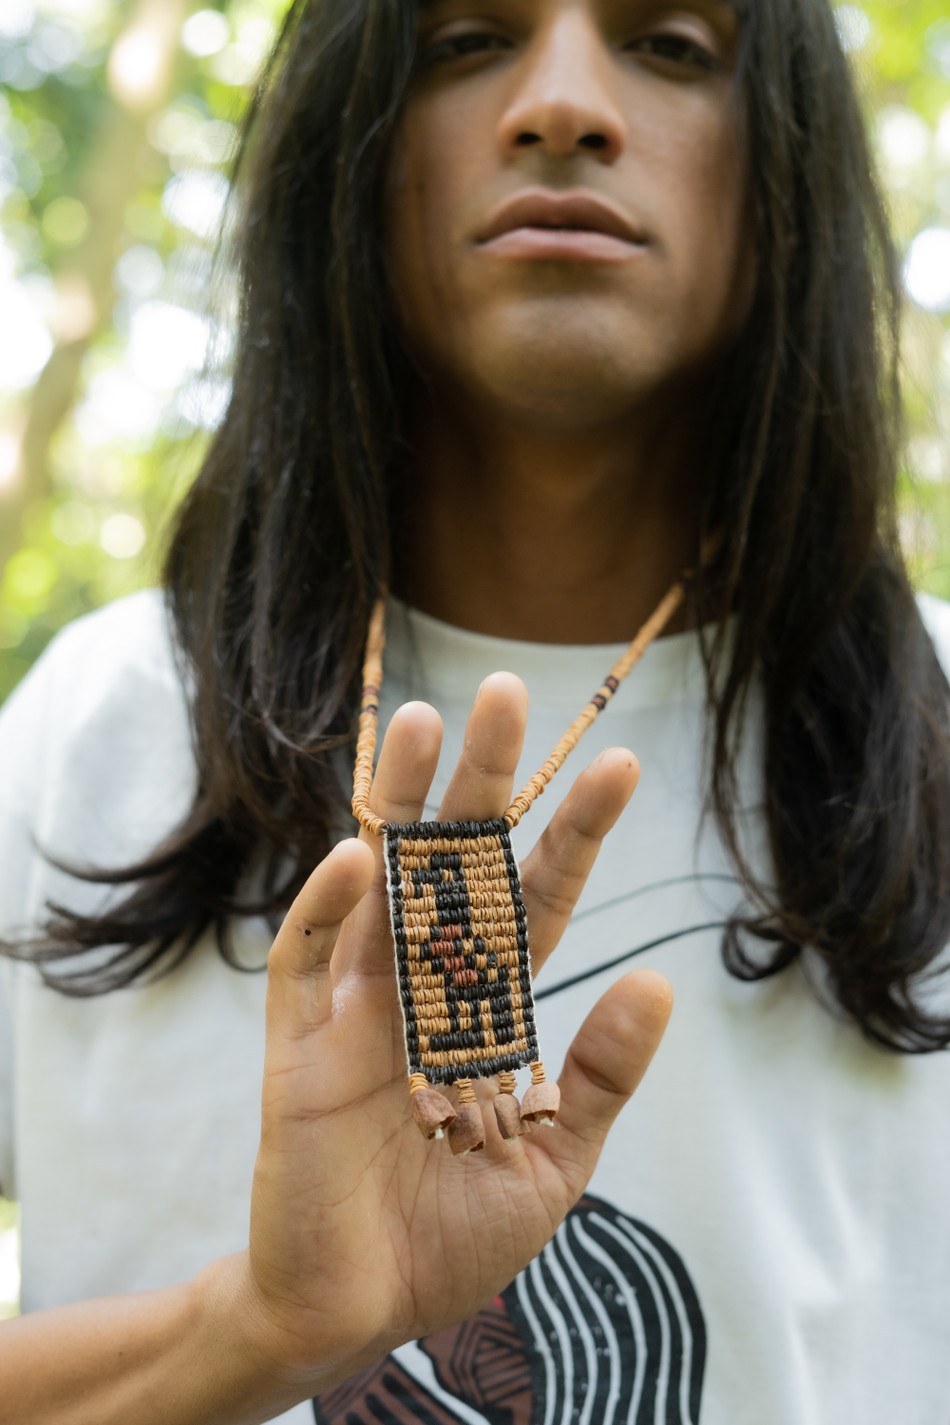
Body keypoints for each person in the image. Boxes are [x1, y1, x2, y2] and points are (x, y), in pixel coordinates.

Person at [2, 0, 949, 1420]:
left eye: (671, 45)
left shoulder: (932, 733)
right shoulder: (104, 721)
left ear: (787, 166)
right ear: (353, 152)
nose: (560, 105)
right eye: (461, 41)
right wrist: (249, 1331)